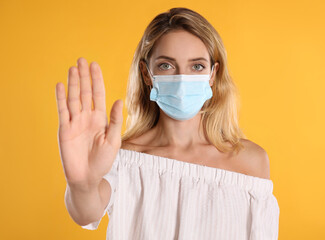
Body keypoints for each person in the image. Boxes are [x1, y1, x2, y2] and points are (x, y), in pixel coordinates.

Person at [55, 7, 280, 240]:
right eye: (166, 65)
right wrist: (82, 185)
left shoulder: (251, 162)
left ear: (213, 74)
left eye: (197, 66)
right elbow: (85, 212)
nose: (182, 79)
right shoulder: (122, 159)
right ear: (146, 73)